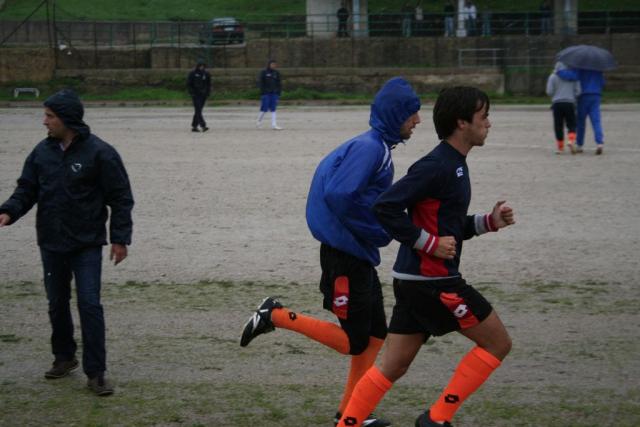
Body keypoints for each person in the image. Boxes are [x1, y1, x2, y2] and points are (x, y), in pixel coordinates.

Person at [240, 77, 422, 427]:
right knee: (353, 341)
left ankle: (352, 413)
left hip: (357, 255)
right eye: (411, 113)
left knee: (375, 334)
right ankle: (274, 315)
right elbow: (339, 195)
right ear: (395, 114)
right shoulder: (370, 148)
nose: (417, 120)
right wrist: (378, 232)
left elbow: (352, 196)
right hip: (345, 257)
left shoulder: (377, 146)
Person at [336, 86, 516, 427]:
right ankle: (436, 419)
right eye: (484, 116)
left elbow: (447, 226)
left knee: (393, 366)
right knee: (498, 343)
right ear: (462, 122)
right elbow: (385, 206)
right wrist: (429, 244)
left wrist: (489, 222)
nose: (489, 123)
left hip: (414, 281)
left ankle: (349, 423)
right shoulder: (436, 166)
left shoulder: (454, 164)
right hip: (435, 282)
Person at [0, 89, 134, 396]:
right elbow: (26, 189)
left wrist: (120, 239)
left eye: (50, 116)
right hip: (51, 242)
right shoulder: (41, 153)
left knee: (89, 304)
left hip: (86, 243)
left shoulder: (101, 153)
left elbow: (120, 198)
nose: (44, 121)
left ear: (67, 119)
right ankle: (64, 356)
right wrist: (8, 211)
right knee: (56, 303)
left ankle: (96, 372)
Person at [556, 67, 606, 154]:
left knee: (580, 122)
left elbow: (571, 76)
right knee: (596, 121)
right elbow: (602, 83)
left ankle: (579, 144)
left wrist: (559, 71)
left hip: (583, 96)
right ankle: (599, 143)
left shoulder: (580, 68)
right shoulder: (598, 69)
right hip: (596, 96)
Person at [546, 61, 581, 154]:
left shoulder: (553, 76)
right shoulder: (574, 76)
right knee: (572, 124)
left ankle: (560, 147)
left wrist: (556, 94)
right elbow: (578, 91)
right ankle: (571, 140)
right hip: (570, 103)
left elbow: (549, 91)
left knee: (558, 125)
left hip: (557, 104)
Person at [256, 59, 283, 130]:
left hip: (274, 93)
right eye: (272, 64)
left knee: (273, 109)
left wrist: (278, 93)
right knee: (264, 109)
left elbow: (279, 83)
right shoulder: (263, 72)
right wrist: (263, 91)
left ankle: (274, 125)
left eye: (275, 64)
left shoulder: (276, 73)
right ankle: (259, 121)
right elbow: (260, 83)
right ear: (269, 65)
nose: (273, 66)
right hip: (266, 93)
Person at [187, 60, 211, 132]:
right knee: (198, 110)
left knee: (198, 110)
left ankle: (194, 126)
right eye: (200, 66)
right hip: (196, 94)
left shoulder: (206, 74)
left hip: (203, 95)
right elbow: (189, 84)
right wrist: (191, 92)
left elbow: (208, 84)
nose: (202, 67)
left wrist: (208, 92)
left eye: (203, 66)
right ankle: (203, 125)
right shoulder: (192, 73)